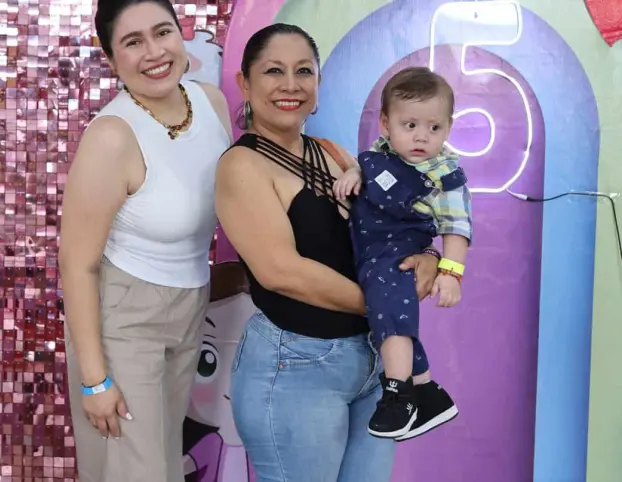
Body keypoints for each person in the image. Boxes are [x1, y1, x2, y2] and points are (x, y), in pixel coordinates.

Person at [215, 24, 440, 481]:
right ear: (245, 83)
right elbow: (281, 271)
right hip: (295, 365)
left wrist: (429, 258)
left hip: (373, 361)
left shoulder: (332, 153)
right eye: (273, 71)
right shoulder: (242, 165)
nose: (290, 85)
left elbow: (390, 226)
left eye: (304, 71)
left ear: (318, 84)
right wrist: (384, 303)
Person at [58, 1, 243, 480]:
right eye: (132, 42)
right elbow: (76, 264)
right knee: (132, 471)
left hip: (190, 305)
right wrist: (95, 380)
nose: (154, 52)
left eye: (162, 33)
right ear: (111, 58)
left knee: (163, 463)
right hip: (124, 318)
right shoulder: (111, 137)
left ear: (180, 34)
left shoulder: (210, 103)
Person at [333, 67, 472, 441]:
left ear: (448, 128)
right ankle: (427, 393)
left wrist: (451, 273)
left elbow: (457, 227)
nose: (421, 136)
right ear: (385, 124)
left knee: (391, 316)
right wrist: (353, 173)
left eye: (434, 127)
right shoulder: (379, 154)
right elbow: (365, 169)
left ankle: (397, 393)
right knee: (388, 317)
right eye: (410, 125)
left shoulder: (445, 177)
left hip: (397, 255)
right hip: (366, 252)